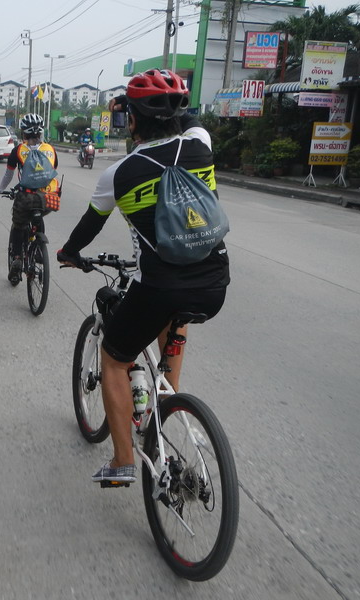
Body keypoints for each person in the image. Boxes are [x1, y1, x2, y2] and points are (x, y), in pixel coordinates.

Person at [57, 69, 230, 484]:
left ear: (131, 120)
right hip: (214, 283)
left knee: (114, 359)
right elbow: (189, 123)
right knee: (175, 319)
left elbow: (88, 226)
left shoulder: (119, 174)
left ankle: (122, 461)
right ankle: (164, 405)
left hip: (160, 288)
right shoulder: (200, 144)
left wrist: (69, 253)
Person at [0, 113, 59, 283]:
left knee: (18, 226)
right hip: (48, 199)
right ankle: (39, 250)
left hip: (26, 198)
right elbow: (52, 171)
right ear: (40, 132)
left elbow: (8, 175)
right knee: (39, 216)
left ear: (24, 133)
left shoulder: (18, 150)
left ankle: (17, 258)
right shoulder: (50, 149)